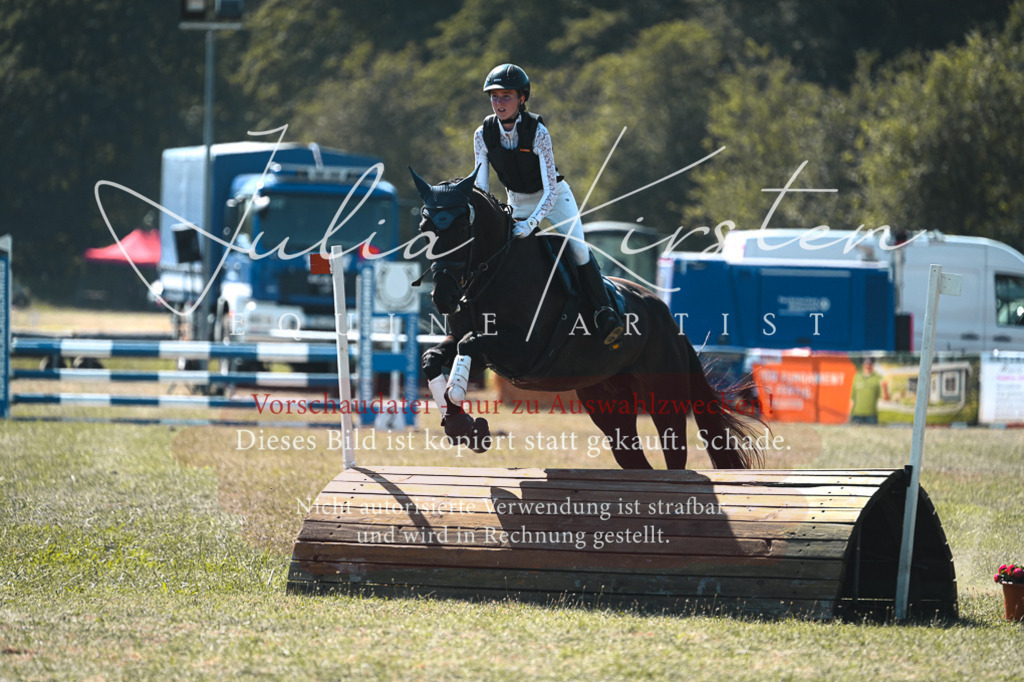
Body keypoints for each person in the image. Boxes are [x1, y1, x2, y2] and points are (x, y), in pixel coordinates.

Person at [473, 63, 624, 346]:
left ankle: (605, 313)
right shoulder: (482, 134)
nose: (499, 102)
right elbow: (481, 187)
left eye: (506, 96)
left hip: (553, 198)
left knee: (578, 249)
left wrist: (531, 224)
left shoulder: (538, 131)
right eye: (494, 96)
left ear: (522, 98)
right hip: (516, 200)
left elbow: (551, 189)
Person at [849, 357, 888, 425]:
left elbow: (886, 399)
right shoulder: (857, 377)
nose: (868, 366)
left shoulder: (878, 378)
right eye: (866, 364)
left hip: (871, 416)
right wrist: (849, 414)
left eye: (870, 364)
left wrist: (884, 388)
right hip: (857, 415)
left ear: (872, 365)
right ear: (863, 365)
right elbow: (852, 398)